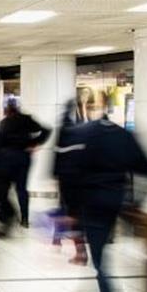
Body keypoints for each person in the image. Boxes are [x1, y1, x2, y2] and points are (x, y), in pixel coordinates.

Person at [67, 92, 147, 292]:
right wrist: (137, 204)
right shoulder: (121, 135)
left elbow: (71, 174)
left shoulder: (83, 134)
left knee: (101, 263)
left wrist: (71, 210)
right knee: (103, 258)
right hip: (115, 203)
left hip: (92, 206)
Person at [0, 100, 51, 228]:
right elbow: (47, 130)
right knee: (22, 189)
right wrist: (34, 143)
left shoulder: (4, 123)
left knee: (4, 188)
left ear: (6, 110)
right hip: (23, 157)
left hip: (7, 160)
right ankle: (25, 219)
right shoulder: (26, 120)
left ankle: (6, 215)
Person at [52, 98, 88, 265]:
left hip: (66, 178)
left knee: (68, 212)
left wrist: (53, 174)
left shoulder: (64, 130)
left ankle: (78, 252)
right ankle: (74, 247)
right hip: (79, 178)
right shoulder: (82, 128)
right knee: (74, 212)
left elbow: (57, 154)